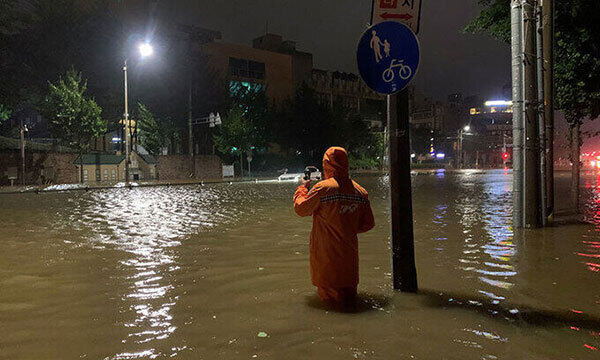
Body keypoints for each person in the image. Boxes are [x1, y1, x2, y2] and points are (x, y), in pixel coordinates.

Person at [293, 147, 375, 309]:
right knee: (350, 300)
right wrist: (345, 226)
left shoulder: (323, 189)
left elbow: (301, 209)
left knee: (329, 305)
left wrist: (303, 187)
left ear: (326, 165)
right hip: (349, 260)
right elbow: (368, 224)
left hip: (327, 258)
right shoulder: (360, 192)